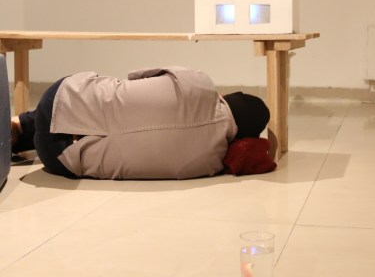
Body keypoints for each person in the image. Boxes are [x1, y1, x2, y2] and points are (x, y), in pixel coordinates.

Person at [11, 66, 270, 180]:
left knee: (97, 98)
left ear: (228, 96)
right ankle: (29, 133)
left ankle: (21, 124)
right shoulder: (211, 163)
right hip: (60, 161)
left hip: (59, 101)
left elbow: (137, 76)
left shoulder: (199, 82)